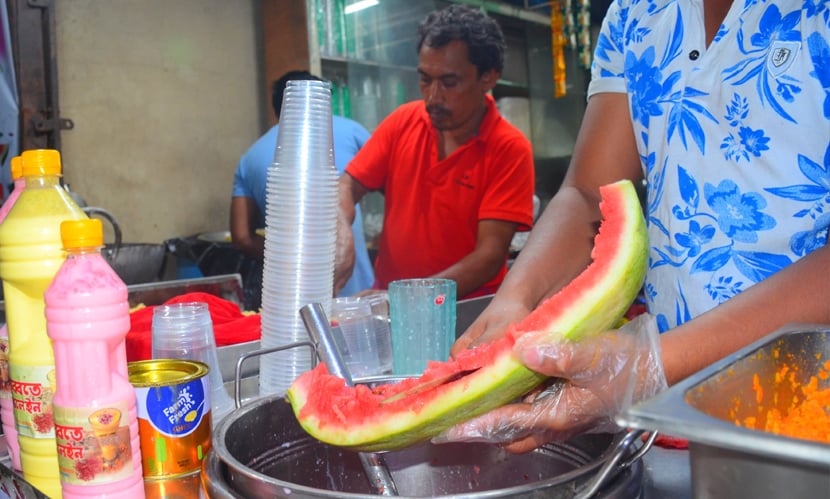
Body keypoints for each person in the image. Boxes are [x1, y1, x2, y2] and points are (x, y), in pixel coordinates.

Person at [441, 1, 830, 453]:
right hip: (671, 414)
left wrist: (650, 365)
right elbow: (591, 192)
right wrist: (518, 301)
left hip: (812, 416)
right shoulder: (633, 14)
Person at [334, 5, 536, 300]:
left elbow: (489, 257)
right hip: (392, 303)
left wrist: (407, 298)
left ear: (488, 78)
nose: (432, 96)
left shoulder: (509, 149)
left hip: (467, 309)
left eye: (449, 83)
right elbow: (348, 185)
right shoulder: (403, 121)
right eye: (425, 79)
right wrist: (341, 226)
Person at [231, 70, 375, 298]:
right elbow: (394, 185)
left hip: (291, 297)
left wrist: (292, 259)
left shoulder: (249, 157)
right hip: (357, 294)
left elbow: (242, 237)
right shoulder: (352, 130)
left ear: (278, 107)